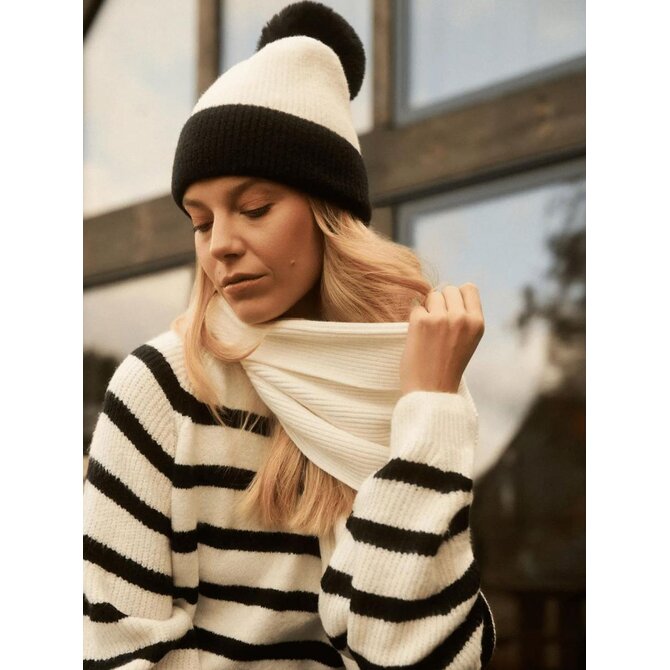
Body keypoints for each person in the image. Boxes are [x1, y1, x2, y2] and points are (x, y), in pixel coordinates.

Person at [83, 2, 496, 668]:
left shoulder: (401, 386)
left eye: (253, 208)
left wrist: (431, 414)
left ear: (329, 215)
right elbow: (110, 649)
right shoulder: (162, 390)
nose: (220, 244)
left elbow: (422, 658)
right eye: (200, 221)